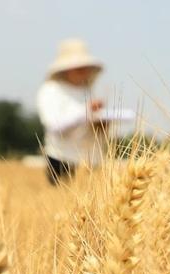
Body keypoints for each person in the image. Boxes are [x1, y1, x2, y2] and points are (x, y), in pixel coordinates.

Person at [37, 39, 108, 185]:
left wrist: (101, 124)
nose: (84, 71)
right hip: (62, 160)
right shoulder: (51, 90)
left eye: (85, 67)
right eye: (78, 67)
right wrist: (86, 110)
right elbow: (54, 125)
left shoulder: (87, 91)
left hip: (90, 162)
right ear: (66, 69)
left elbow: (92, 125)